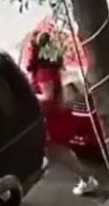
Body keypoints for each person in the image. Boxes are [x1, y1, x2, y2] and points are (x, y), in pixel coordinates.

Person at [26, 32, 99, 196]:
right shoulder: (49, 65)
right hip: (57, 115)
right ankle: (46, 165)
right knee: (53, 150)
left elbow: (48, 97)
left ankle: (87, 179)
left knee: (61, 153)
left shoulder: (43, 72)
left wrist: (29, 96)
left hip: (55, 119)